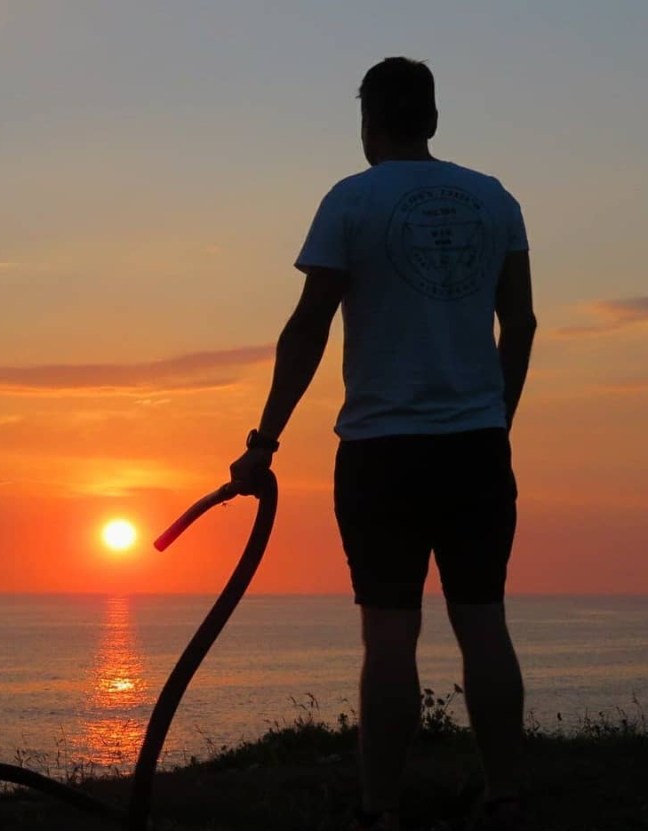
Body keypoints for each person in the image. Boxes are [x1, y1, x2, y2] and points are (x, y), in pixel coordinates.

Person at [229, 57, 537, 831]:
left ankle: (381, 809)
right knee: (484, 620)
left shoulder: (350, 201)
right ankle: (505, 796)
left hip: (380, 450)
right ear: (432, 119)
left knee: (390, 632)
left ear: (369, 123)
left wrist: (265, 437)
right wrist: (496, 418)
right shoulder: (495, 199)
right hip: (475, 445)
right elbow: (521, 324)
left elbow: (308, 328)